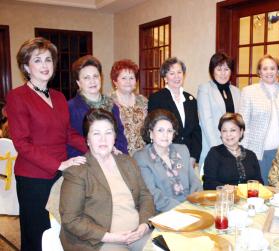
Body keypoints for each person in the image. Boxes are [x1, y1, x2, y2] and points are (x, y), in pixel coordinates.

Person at [6, 37, 87, 251]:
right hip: (34, 177)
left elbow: (68, 133)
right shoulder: (17, 96)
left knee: (59, 229)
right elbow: (21, 143)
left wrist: (95, 148)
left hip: (61, 174)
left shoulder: (60, 97)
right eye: (38, 60)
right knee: (37, 233)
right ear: (26, 66)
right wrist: (58, 165)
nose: (45, 65)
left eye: (48, 60)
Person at [60, 108, 155, 251]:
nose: (103, 139)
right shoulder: (77, 171)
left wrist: (144, 225)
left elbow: (145, 196)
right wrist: (111, 237)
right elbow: (71, 219)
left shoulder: (127, 162)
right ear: (87, 139)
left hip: (138, 233)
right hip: (99, 241)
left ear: (115, 136)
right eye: (96, 133)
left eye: (108, 132)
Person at [239, 54, 279, 184]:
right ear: (259, 71)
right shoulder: (248, 91)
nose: (269, 72)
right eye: (265, 68)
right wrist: (242, 152)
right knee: (260, 190)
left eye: (272, 68)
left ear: (278, 70)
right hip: (256, 153)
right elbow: (243, 124)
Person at [133, 109, 202, 212]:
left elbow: (194, 182)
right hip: (164, 212)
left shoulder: (182, 150)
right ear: (151, 133)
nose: (165, 135)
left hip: (192, 206)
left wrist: (195, 203)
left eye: (169, 131)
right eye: (160, 130)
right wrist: (183, 209)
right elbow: (153, 195)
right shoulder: (142, 157)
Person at [67, 55, 128, 158]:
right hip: (86, 164)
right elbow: (70, 142)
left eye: (95, 76)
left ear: (101, 78)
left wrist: (118, 154)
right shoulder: (70, 108)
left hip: (114, 159)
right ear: (78, 83)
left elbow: (120, 137)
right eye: (86, 78)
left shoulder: (112, 106)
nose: (92, 81)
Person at [148, 57, 202, 166]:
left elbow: (196, 131)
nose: (176, 76)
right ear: (165, 78)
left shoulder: (191, 99)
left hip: (188, 157)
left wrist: (193, 157)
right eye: (172, 73)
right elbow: (152, 129)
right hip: (164, 156)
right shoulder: (156, 98)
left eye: (179, 72)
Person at [197, 52, 240, 165]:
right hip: (213, 149)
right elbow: (207, 123)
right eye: (219, 69)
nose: (223, 73)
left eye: (226, 69)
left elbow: (239, 122)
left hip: (234, 149)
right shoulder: (205, 89)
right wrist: (220, 151)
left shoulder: (236, 91)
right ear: (212, 71)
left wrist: (236, 148)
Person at [203, 113, 263, 190]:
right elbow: (208, 183)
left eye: (233, 130)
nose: (228, 134)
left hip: (249, 199)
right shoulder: (214, 153)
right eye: (224, 131)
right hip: (224, 199)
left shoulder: (251, 155)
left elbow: (260, 183)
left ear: (241, 132)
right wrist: (224, 188)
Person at [110, 59, 148, 155]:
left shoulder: (143, 101)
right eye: (124, 78)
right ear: (115, 81)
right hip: (119, 154)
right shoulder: (108, 102)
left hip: (143, 155)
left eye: (131, 78)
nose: (128, 82)